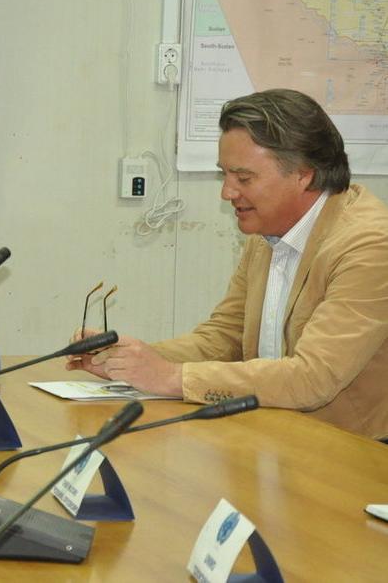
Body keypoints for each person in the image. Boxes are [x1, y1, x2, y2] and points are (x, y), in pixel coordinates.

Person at [70, 88, 388, 439]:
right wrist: (126, 361)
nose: (227, 193)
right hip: (278, 434)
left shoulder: (370, 245)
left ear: (303, 174)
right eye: (225, 175)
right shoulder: (268, 230)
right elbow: (224, 339)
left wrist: (171, 377)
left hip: (354, 451)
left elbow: (313, 378)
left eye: (244, 178)